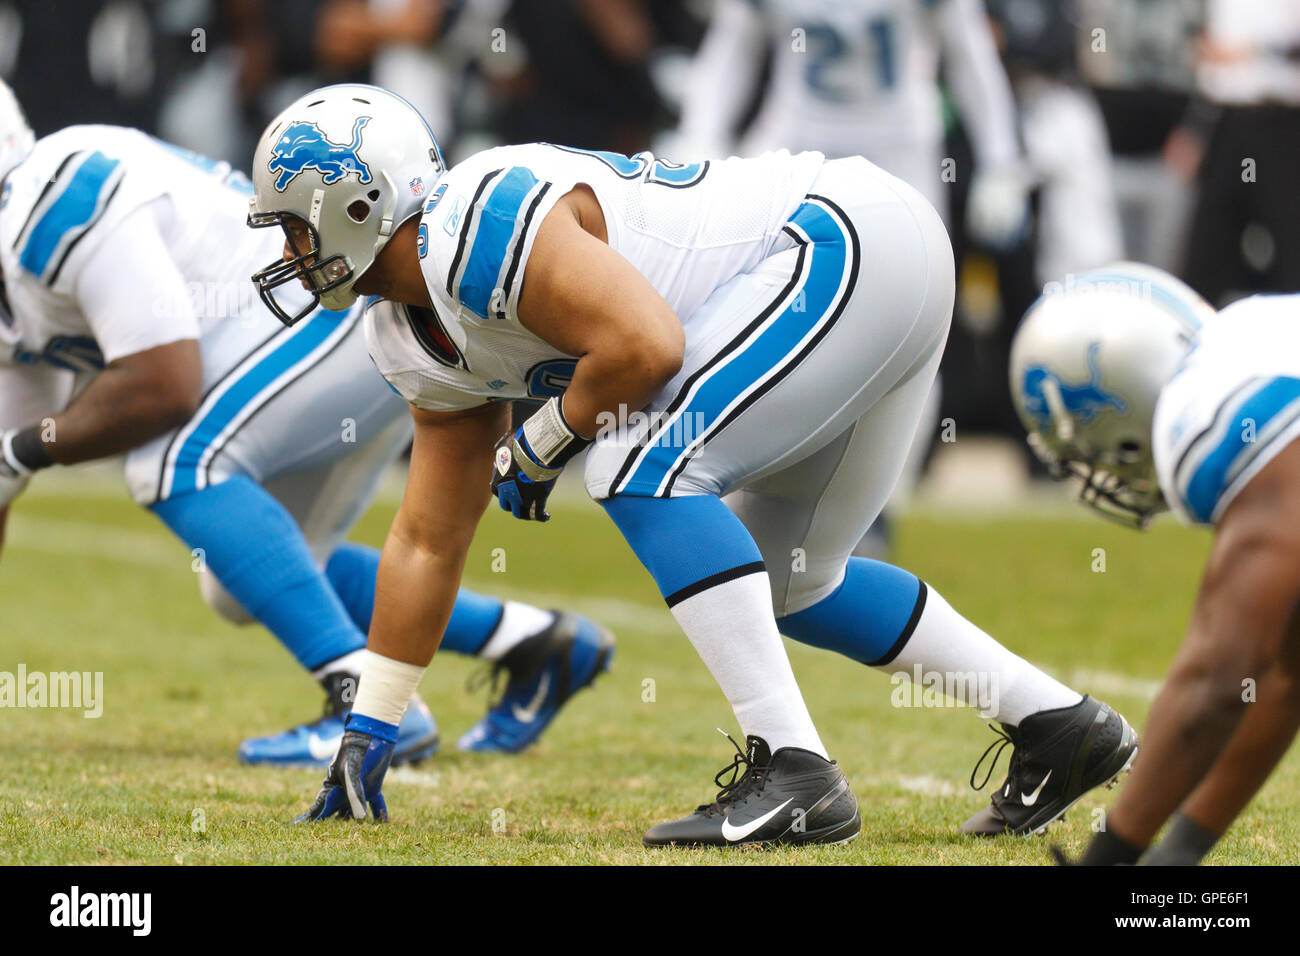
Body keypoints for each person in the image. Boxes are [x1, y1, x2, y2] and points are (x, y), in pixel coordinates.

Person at [251, 83, 1135, 844]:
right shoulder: (407, 334)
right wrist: (370, 730)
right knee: (794, 579)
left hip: (842, 238)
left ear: (358, 204)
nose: (287, 254)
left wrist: (546, 437)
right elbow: (426, 539)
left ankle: (795, 772)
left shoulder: (473, 227)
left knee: (637, 462)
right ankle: (1059, 725)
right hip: (877, 255)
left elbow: (646, 347)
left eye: (293, 225)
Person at [0, 80, 612, 766]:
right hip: (302, 332)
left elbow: (160, 387)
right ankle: (534, 642)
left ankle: (365, 705)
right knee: (245, 577)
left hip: (336, 296)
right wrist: (15, 456)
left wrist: (21, 452)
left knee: (173, 459)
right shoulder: (13, 264)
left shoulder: (51, 196)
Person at [1010, 262, 1300, 865]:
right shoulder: (1256, 334)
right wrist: (1169, 857)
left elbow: (1219, 680)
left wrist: (1107, 859)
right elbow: (1283, 669)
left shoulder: (1206, 406)